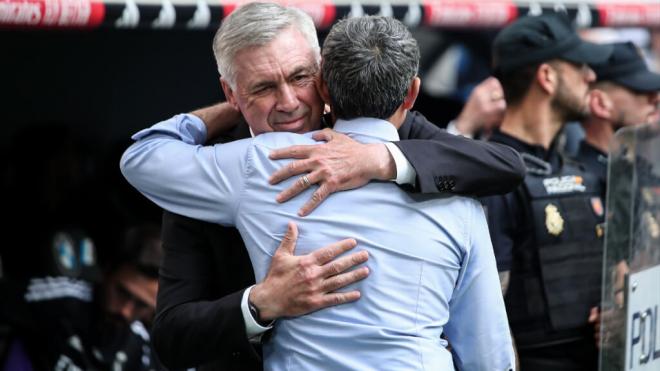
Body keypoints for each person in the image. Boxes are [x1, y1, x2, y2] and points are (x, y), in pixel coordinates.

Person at [122, 13, 514, 370]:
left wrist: (378, 159)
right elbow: (172, 339)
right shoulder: (218, 170)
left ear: (323, 77)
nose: (289, 102)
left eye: (299, 77)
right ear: (231, 93)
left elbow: (503, 166)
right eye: (262, 87)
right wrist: (259, 305)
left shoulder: (402, 133)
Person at [480, 12, 614, 371]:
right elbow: (487, 313)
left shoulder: (577, 170)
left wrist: (616, 313)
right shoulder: (495, 180)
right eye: (580, 67)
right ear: (547, 77)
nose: (591, 76)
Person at [576, 41, 660, 198]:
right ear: (600, 104)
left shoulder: (643, 171)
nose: (656, 99)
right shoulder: (580, 184)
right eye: (640, 89)